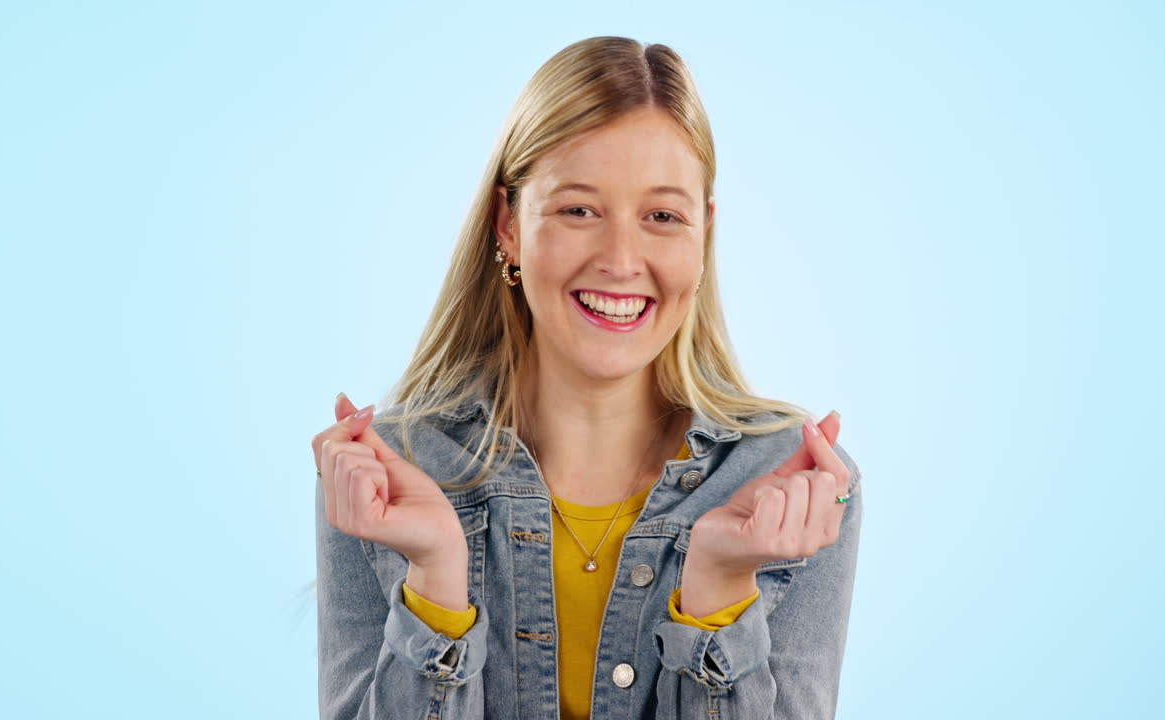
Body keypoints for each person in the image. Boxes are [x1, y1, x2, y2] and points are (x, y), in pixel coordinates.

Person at [312, 35, 863, 720]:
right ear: (507, 225)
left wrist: (720, 592)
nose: (622, 260)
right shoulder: (387, 475)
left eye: (662, 216)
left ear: (704, 236)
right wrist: (434, 585)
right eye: (578, 210)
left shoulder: (790, 485)